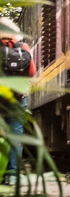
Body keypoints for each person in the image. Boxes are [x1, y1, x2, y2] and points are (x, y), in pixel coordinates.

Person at [1, 27, 35, 186]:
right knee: (15, 134)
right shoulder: (23, 47)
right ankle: (13, 175)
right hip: (17, 98)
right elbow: (31, 72)